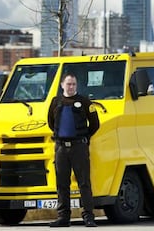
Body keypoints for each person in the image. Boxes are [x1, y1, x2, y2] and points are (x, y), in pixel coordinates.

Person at [48, 72, 100, 227]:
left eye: (74, 84)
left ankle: (88, 216)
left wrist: (84, 138)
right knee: (62, 184)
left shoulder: (84, 102)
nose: (71, 87)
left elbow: (95, 124)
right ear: (62, 85)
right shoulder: (55, 102)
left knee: (84, 183)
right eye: (68, 84)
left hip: (79, 147)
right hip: (61, 149)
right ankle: (63, 217)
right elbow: (51, 122)